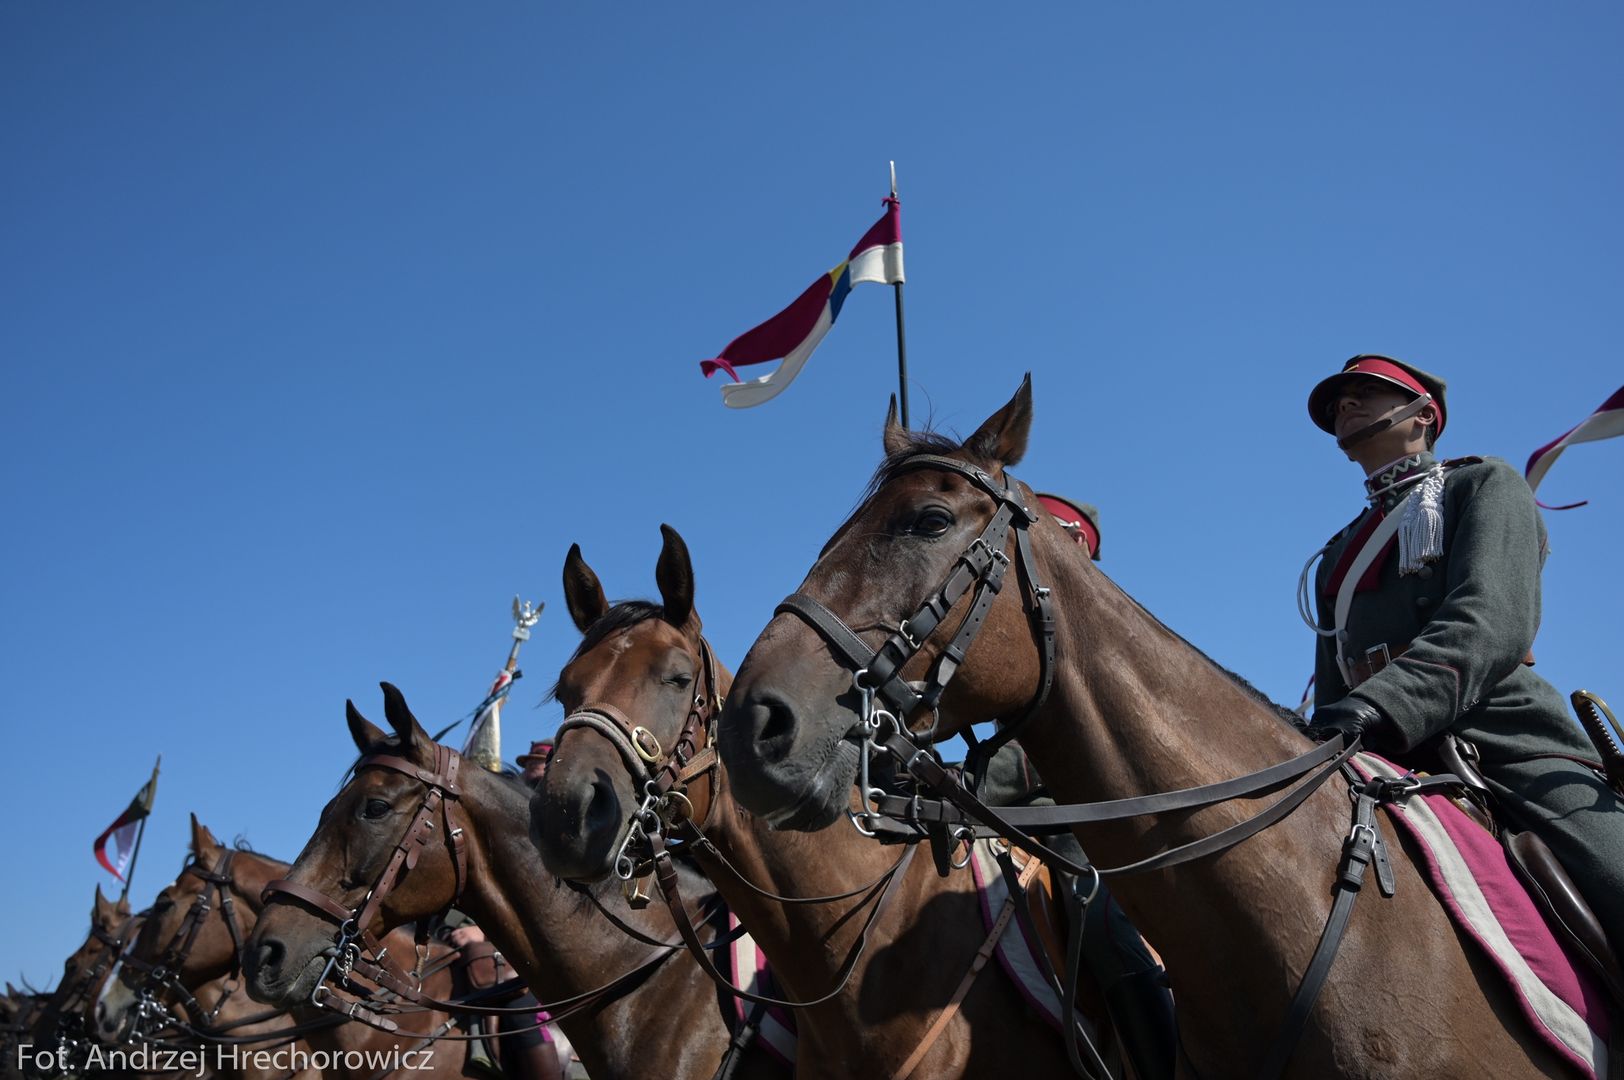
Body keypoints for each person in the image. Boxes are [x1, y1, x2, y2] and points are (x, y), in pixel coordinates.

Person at [1300, 354, 1624, 955]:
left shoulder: (1481, 484)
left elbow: (1491, 622)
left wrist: (1380, 705)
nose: (1345, 406)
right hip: (1370, 742)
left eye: (1367, 393)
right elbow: (1333, 681)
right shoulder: (1336, 552)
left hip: (1498, 733)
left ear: (1423, 415)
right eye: (1338, 402)